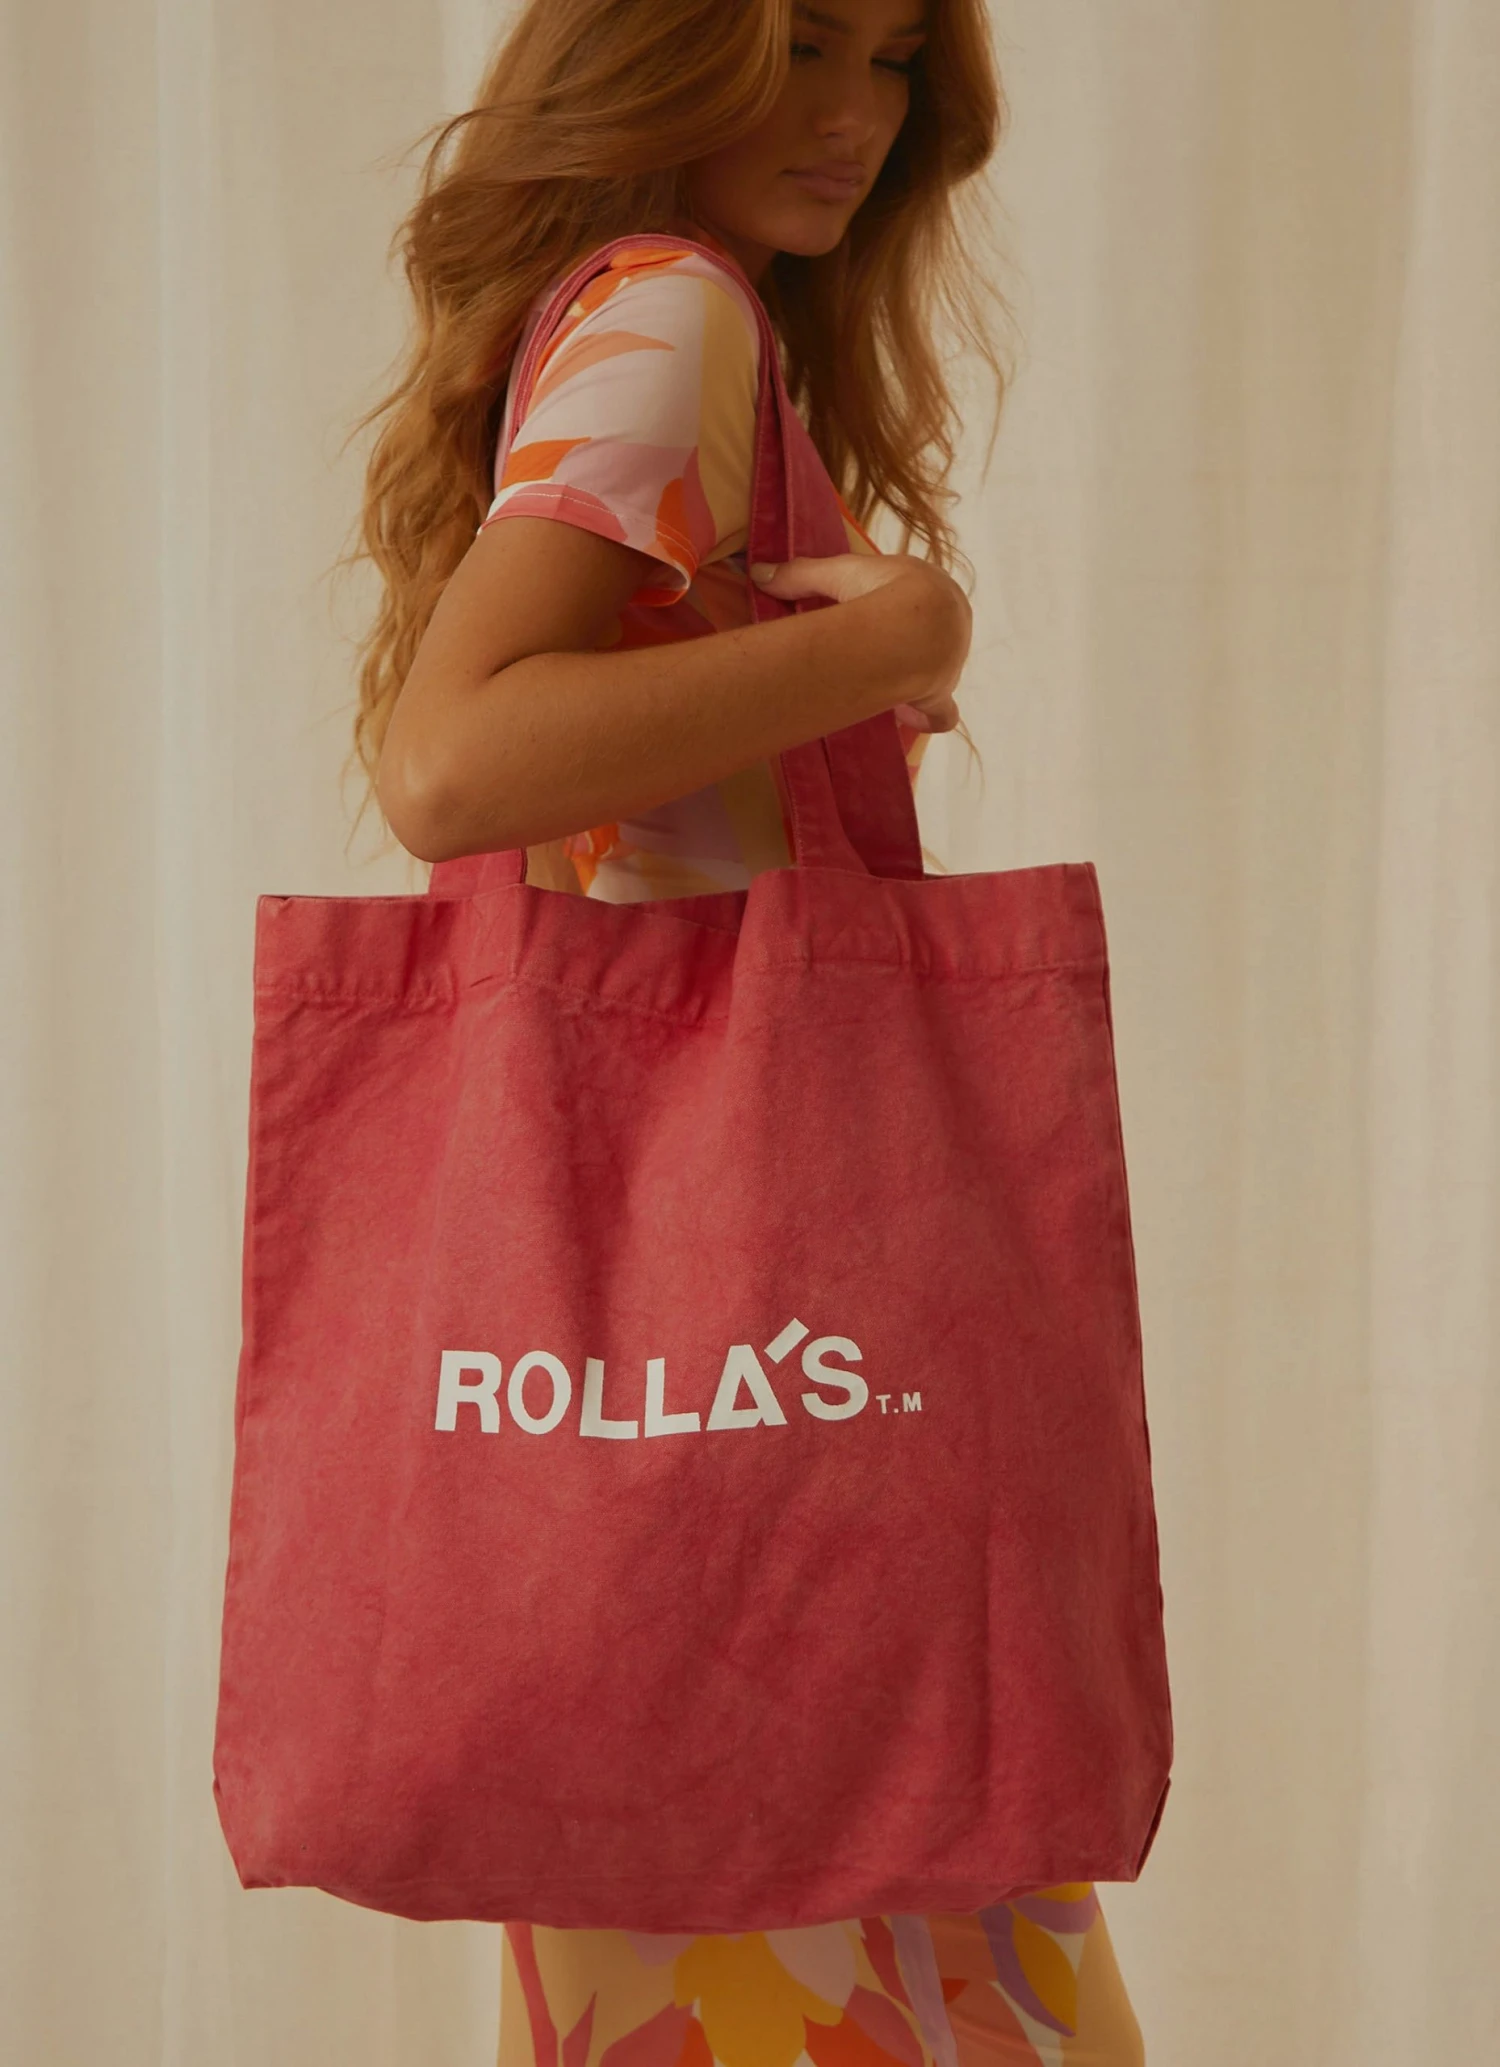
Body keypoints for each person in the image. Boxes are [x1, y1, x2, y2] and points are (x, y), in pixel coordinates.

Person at [351, 1, 1148, 2061]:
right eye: (797, 44)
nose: (855, 115)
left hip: (696, 1455)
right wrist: (901, 636)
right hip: (758, 1463)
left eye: (891, 61)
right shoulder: (674, 311)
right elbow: (452, 765)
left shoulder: (663, 318)